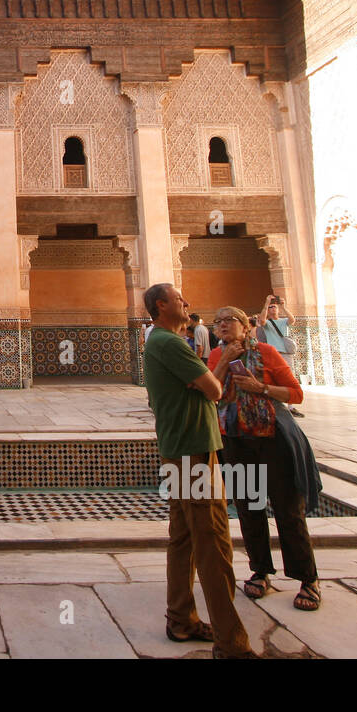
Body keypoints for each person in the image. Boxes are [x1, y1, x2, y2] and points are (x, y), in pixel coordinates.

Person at [142, 282, 255, 658]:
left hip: (178, 449)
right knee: (214, 544)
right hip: (193, 452)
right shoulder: (169, 342)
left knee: (185, 538)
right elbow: (213, 389)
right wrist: (224, 360)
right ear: (161, 306)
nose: (186, 303)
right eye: (178, 299)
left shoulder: (162, 341)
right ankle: (231, 643)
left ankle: (181, 619)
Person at [208, 306, 320, 612]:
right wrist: (224, 363)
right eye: (218, 322)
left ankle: (307, 578)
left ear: (245, 326)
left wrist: (261, 388)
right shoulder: (217, 357)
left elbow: (296, 394)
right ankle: (261, 570)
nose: (223, 326)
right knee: (249, 507)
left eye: (229, 320)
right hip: (237, 440)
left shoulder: (267, 353)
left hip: (273, 439)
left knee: (287, 510)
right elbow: (211, 394)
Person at [257, 295, 304, 418]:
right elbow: (261, 321)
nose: (273, 309)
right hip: (273, 353)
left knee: (289, 377)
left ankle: (291, 406)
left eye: (274, 307)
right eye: (271, 307)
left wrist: (283, 306)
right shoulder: (267, 323)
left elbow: (292, 319)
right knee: (272, 378)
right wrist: (266, 304)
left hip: (285, 353)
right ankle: (276, 403)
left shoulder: (283, 321)